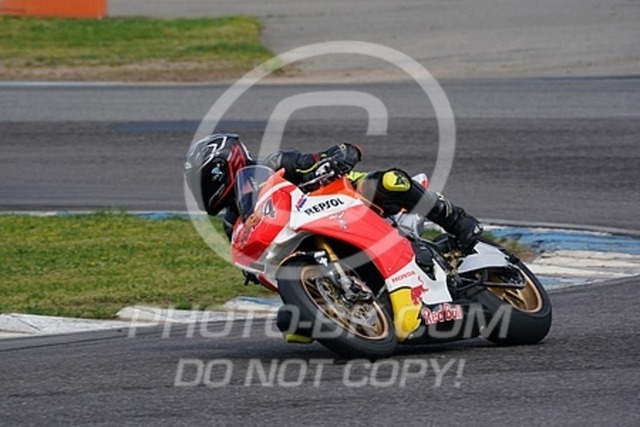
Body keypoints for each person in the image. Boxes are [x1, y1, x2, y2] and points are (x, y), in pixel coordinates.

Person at [184, 132, 483, 248]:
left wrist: (336, 157)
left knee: (390, 181)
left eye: (203, 181)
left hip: (347, 203)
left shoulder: (275, 164)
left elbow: (318, 158)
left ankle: (457, 220)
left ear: (223, 165)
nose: (202, 190)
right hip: (306, 238)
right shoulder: (232, 223)